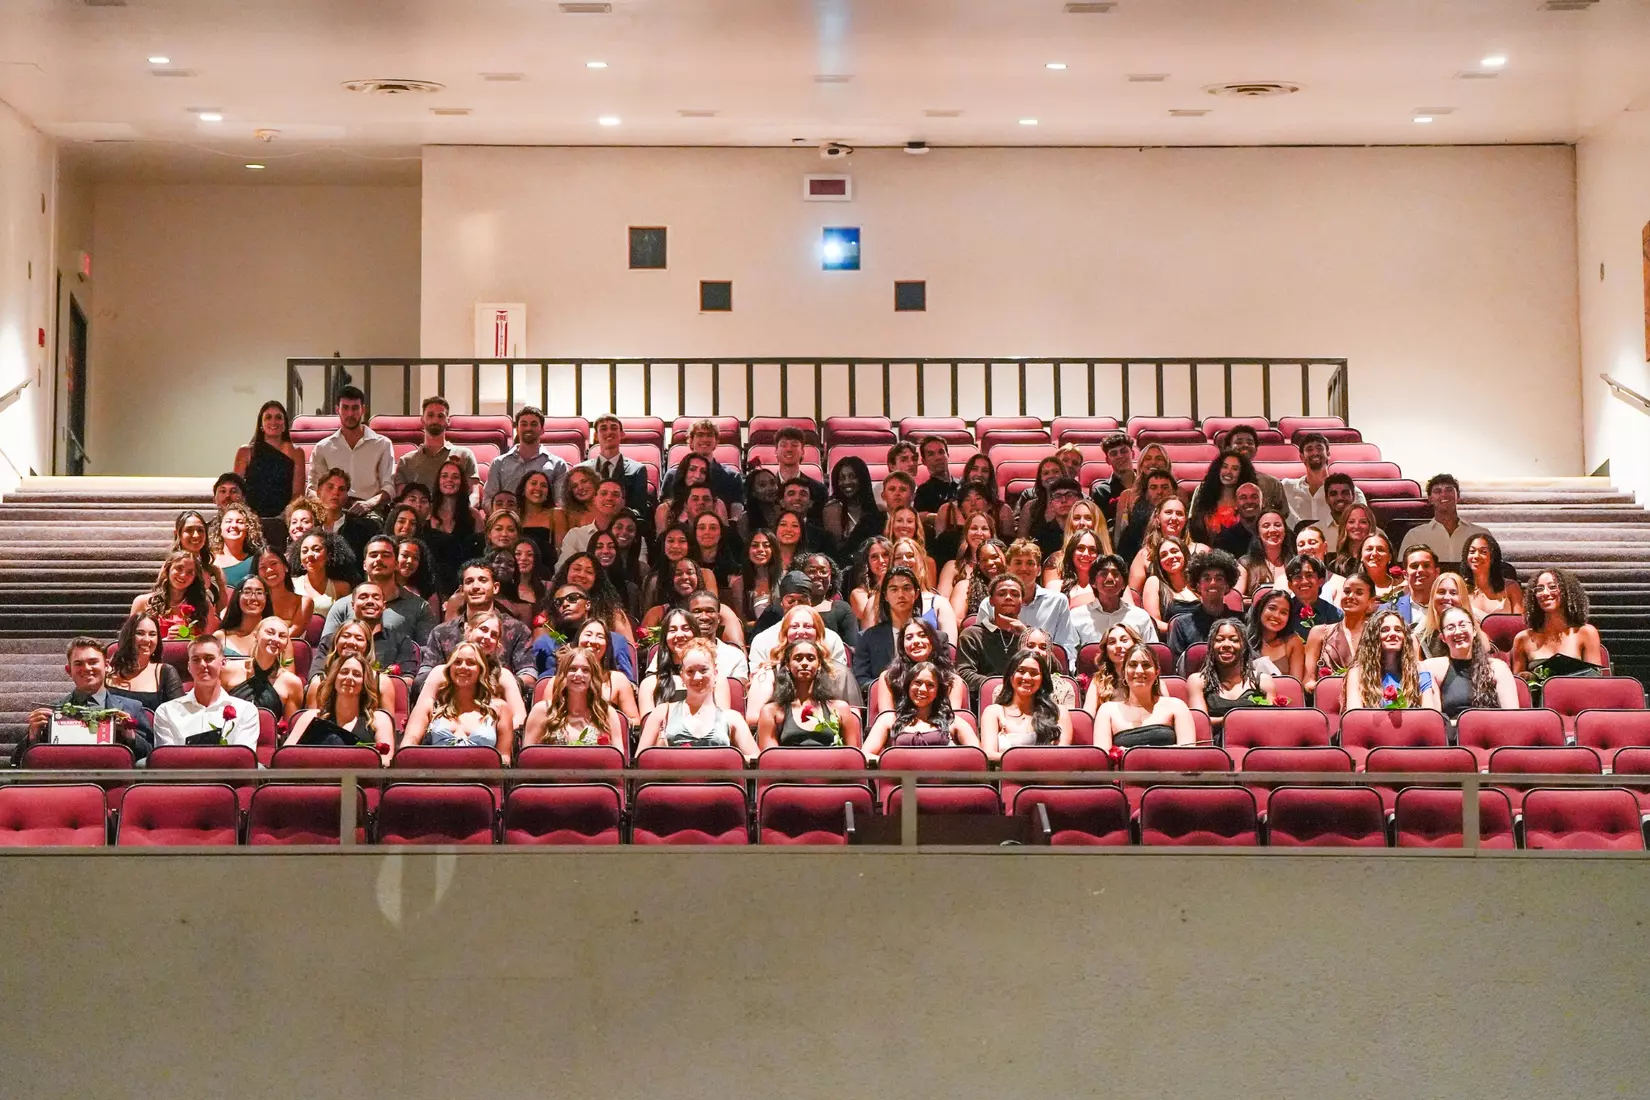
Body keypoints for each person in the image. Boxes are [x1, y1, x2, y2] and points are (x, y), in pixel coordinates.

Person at [20, 637, 153, 765]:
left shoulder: (132, 708)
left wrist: (130, 735)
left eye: (93, 662)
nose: (87, 668)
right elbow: (17, 762)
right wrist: (33, 737)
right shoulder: (51, 713)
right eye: (79, 663)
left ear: (107, 666)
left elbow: (150, 760)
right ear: (69, 670)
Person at [418, 559, 535, 693]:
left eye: (482, 580)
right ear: (462, 590)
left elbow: (529, 677)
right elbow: (423, 678)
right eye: (469, 581)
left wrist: (493, 685)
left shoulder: (517, 630)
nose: (475, 586)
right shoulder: (441, 633)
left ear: (495, 587)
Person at [317, 536, 437, 663]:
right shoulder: (342, 606)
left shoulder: (419, 607)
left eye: (386, 555)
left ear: (396, 563)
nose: (379, 559)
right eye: (373, 555)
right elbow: (326, 651)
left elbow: (427, 655)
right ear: (364, 564)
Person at [636, 637, 758, 756]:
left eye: (703, 670)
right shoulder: (662, 713)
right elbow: (641, 760)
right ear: (682, 676)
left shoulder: (732, 718)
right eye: (690, 671)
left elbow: (755, 760)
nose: (697, 677)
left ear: (715, 673)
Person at [401, 640, 515, 763]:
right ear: (450, 668)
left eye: (471, 663)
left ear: (481, 670)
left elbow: (504, 758)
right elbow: (407, 747)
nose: (463, 667)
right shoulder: (429, 706)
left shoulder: (500, 709)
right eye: (457, 662)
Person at [743, 606, 863, 722]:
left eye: (808, 626)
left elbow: (854, 717)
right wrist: (795, 719)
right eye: (794, 627)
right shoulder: (768, 673)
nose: (800, 632)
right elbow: (753, 718)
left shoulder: (839, 673)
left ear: (818, 632)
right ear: (785, 633)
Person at [974, 537, 1080, 663]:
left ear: (1039, 570)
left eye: (1030, 563)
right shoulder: (989, 604)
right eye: (1018, 562)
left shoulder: (1058, 602)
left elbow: (1067, 649)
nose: (1024, 568)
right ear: (1008, 568)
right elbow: (980, 646)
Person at [153, 635, 262, 748]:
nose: (202, 664)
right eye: (196, 659)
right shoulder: (167, 712)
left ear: (223, 663)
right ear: (189, 667)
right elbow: (167, 757)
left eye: (209, 658)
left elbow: (243, 757)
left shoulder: (245, 711)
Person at [755, 638, 864, 750]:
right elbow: (770, 757)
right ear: (787, 665)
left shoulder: (840, 709)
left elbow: (852, 755)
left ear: (819, 665)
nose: (804, 663)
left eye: (810, 658)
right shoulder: (772, 712)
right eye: (798, 658)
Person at [283, 651, 396, 755]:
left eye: (356, 674)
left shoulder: (378, 720)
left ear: (364, 683)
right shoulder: (310, 717)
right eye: (344, 672)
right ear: (334, 678)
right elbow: (285, 757)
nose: (349, 677)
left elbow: (386, 762)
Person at [1420, 606, 1522, 719]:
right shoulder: (1431, 668)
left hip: (1493, 727)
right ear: (1442, 637)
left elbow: (1513, 718)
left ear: (1474, 631)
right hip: (1452, 729)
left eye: (1463, 625)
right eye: (1450, 628)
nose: (1458, 631)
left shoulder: (1498, 668)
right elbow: (1432, 719)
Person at [861, 661, 979, 758]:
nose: (922, 689)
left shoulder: (953, 721)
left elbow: (978, 757)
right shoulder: (888, 720)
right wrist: (893, 763)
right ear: (908, 686)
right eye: (917, 682)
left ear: (938, 691)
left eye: (930, 685)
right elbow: (865, 755)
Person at [308, 385, 393, 517]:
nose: (350, 414)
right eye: (345, 408)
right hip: (331, 510)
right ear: (337, 409)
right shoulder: (323, 448)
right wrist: (324, 507)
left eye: (355, 408)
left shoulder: (382, 444)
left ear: (363, 409)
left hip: (369, 511)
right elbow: (312, 488)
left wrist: (369, 504)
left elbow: (389, 487)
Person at [1093, 643, 1197, 749]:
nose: (1139, 671)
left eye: (1146, 665)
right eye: (1133, 665)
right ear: (1124, 672)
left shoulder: (1177, 706)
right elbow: (1102, 755)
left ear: (1157, 672)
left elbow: (1188, 752)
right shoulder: (1107, 711)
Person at [1510, 568, 1605, 681]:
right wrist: (1529, 676)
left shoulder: (1586, 632)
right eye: (1539, 589)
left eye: (1552, 587)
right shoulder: (1523, 638)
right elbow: (1519, 685)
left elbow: (1595, 680)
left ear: (1567, 591)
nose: (1545, 593)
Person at [523, 647, 625, 750]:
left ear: (592, 676)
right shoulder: (542, 711)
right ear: (563, 674)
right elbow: (528, 756)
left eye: (585, 670)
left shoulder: (607, 713)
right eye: (572, 669)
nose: (579, 675)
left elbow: (618, 757)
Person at [979, 649, 1073, 760]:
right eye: (1021, 671)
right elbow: (989, 754)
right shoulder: (993, 712)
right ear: (1010, 675)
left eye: (1034, 673)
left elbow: (1062, 757)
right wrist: (1025, 762)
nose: (1027, 677)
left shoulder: (1058, 713)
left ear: (1042, 679)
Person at [1187, 618, 1276, 730]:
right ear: (1211, 646)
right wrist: (1236, 719)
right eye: (1219, 640)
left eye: (1234, 640)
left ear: (1244, 646)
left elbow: (1271, 721)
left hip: (1255, 737)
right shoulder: (1198, 681)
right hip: (1216, 739)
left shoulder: (1263, 681)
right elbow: (1200, 721)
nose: (1226, 645)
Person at [868, 618, 970, 715]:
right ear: (902, 645)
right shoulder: (888, 678)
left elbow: (953, 720)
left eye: (922, 635)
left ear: (933, 641)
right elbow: (886, 718)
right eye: (909, 638)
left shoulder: (953, 680)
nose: (916, 641)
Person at [638, 608, 732, 713]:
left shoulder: (716, 680)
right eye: (672, 630)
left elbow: (723, 720)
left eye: (686, 629)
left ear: (695, 633)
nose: (679, 635)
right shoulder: (650, 684)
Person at [748, 572, 847, 669]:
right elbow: (757, 676)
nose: (796, 605)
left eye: (802, 601)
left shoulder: (831, 639)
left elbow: (839, 675)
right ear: (781, 602)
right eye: (790, 601)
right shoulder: (762, 641)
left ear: (810, 602)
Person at [1344, 612, 1441, 711]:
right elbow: (1354, 716)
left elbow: (1429, 713)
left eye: (1398, 630)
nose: (1393, 634)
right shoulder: (1357, 673)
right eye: (1384, 630)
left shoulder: (1419, 669)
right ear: (1373, 637)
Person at [956, 574, 1032, 699]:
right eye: (1002, 594)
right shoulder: (972, 635)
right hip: (985, 700)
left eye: (1015, 594)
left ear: (1022, 601)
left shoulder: (1030, 635)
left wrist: (1027, 636)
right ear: (991, 601)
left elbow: (1055, 670)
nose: (1008, 597)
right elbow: (964, 674)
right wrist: (1006, 686)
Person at [851, 566, 924, 694]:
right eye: (894, 589)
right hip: (883, 700)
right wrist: (890, 688)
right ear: (885, 595)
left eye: (906, 588)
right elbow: (860, 681)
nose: (901, 595)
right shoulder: (868, 638)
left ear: (916, 593)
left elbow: (944, 676)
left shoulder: (936, 638)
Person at [1305, 568, 1378, 694]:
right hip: (1329, 699)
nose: (1350, 596)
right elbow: (1308, 681)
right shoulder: (1320, 633)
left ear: (1370, 602)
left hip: (1369, 700)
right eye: (1347, 591)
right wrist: (1326, 686)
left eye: (1359, 592)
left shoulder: (1377, 634)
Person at [323, 579, 417, 674]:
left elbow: (407, 679)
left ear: (384, 605)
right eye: (363, 597)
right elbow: (317, 675)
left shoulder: (401, 642)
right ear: (353, 605)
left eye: (376, 598)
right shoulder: (331, 640)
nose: (370, 601)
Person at [483, 405, 568, 509]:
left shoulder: (558, 465)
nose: (528, 428)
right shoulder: (498, 463)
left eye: (534, 424)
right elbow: (488, 500)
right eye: (524, 424)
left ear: (542, 430)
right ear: (517, 429)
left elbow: (560, 502)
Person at [234, 399, 306, 522]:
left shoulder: (297, 453)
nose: (273, 421)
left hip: (284, 519)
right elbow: (236, 490)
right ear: (261, 424)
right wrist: (250, 517)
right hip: (250, 518)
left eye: (278, 417)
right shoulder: (245, 452)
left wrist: (282, 518)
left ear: (285, 424)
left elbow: (298, 494)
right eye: (268, 417)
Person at [1164, 550, 1240, 666]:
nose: (1213, 583)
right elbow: (1177, 666)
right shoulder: (1181, 624)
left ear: (1227, 586)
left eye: (1219, 578)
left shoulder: (1242, 621)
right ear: (1198, 586)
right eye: (1206, 578)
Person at [303, 620, 399, 710]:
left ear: (368, 646)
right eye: (346, 636)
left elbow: (387, 720)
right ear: (336, 641)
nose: (351, 642)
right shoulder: (318, 684)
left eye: (359, 639)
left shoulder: (382, 684)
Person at [1400, 473, 1489, 570]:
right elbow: (1403, 571)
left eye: (1449, 490)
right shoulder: (1414, 536)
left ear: (1458, 496)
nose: (1444, 494)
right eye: (1437, 491)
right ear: (1430, 499)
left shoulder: (1480, 534)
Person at [224, 616, 304, 722]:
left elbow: (290, 728)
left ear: (286, 645)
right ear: (255, 636)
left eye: (282, 636)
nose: (275, 639)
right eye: (270, 633)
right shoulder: (228, 670)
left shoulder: (292, 683)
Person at [1280, 432, 1367, 529]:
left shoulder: (1351, 492)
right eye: (1309, 449)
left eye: (1319, 448)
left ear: (1328, 454)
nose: (1315, 453)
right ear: (1301, 457)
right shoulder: (1286, 487)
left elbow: (1364, 526)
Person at [393, 396, 477, 495]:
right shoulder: (406, 461)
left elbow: (474, 494)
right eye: (430, 415)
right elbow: (401, 498)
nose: (435, 420)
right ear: (422, 420)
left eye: (440, 416)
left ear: (448, 421)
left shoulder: (465, 455)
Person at [565, 617, 642, 723]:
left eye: (600, 637)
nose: (592, 641)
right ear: (578, 640)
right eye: (588, 635)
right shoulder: (561, 679)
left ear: (607, 645)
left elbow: (635, 721)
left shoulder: (618, 680)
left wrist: (610, 723)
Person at [106, 612, 185, 712]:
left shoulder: (166, 672)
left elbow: (179, 714)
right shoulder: (108, 670)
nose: (147, 639)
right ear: (128, 636)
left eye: (152, 634)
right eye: (140, 633)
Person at [131, 550, 219, 640]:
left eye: (190, 572)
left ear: (195, 578)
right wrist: (166, 641)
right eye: (179, 568)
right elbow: (132, 640)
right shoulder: (142, 602)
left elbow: (207, 642)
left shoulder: (204, 606)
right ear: (168, 569)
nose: (183, 575)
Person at [575, 413, 651, 515]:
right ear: (596, 436)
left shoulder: (637, 470)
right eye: (603, 429)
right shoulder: (581, 470)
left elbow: (639, 508)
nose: (609, 432)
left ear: (622, 434)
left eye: (614, 428)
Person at [658, 419, 744, 508]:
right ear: (691, 442)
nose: (705, 439)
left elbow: (736, 511)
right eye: (700, 435)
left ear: (716, 442)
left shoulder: (732, 477)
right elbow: (667, 510)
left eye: (710, 435)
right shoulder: (672, 475)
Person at [1127, 495, 1201, 594]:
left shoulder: (1201, 551)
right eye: (1168, 512)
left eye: (1179, 514)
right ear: (1157, 517)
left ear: (1185, 520)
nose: (1174, 518)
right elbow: (1133, 595)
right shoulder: (1144, 555)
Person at [1079, 553, 1158, 643]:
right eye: (1103, 574)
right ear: (1093, 582)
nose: (1109, 578)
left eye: (1115, 574)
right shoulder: (1076, 617)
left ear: (1124, 584)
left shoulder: (1141, 617)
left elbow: (1151, 650)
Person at [1188, 449, 1259, 548]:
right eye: (1225, 467)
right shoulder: (1203, 495)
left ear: (1242, 473)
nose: (1228, 472)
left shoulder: (1249, 500)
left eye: (1235, 469)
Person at [557, 478, 629, 567]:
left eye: (615, 494)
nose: (609, 498)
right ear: (594, 499)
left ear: (623, 502)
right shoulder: (576, 535)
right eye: (603, 493)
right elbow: (562, 569)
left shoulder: (631, 536)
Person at [1114, 467, 1179, 567]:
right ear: (1146, 494)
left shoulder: (1182, 519)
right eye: (1153, 487)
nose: (1159, 492)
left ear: (1174, 491)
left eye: (1165, 487)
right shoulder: (1134, 528)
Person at [314, 468, 380, 563]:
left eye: (341, 489)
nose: (335, 493)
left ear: (346, 496)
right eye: (330, 487)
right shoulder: (309, 524)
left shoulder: (363, 529)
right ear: (318, 492)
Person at [172, 508, 231, 614]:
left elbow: (222, 610)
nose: (196, 535)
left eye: (200, 530)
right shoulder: (172, 570)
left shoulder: (215, 572)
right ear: (178, 534)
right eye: (189, 530)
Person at [1219, 425, 1287, 517]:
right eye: (1239, 442)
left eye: (1250, 443)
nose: (1245, 445)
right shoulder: (1213, 483)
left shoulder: (1272, 483)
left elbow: (1282, 516)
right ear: (1228, 448)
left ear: (1255, 450)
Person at [1140, 535, 1198, 636]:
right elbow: (1153, 622)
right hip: (1171, 639)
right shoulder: (1154, 582)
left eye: (1174, 551)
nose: (1170, 557)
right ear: (1159, 562)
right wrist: (1183, 631)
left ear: (1184, 553)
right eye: (1164, 555)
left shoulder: (1198, 581)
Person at [288, 531, 354, 620]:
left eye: (316, 550)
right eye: (304, 551)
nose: (309, 555)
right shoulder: (291, 584)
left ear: (328, 555)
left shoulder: (341, 588)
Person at [253, 546, 314, 639]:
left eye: (273, 563)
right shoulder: (253, 602)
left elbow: (290, 635)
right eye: (262, 567)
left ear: (285, 567)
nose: (269, 570)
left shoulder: (304, 602)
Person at [1082, 623, 1143, 713]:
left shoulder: (1149, 677)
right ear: (1106, 651)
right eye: (1112, 642)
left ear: (1135, 645)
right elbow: (1088, 715)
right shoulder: (1098, 681)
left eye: (1124, 640)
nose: (1118, 646)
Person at [1463, 532, 1525, 619]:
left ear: (1493, 557)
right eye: (1472, 551)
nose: (1476, 556)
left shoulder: (1511, 587)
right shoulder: (1461, 588)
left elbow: (1519, 623)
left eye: (1483, 552)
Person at [1246, 587, 1304, 680]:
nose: (1276, 616)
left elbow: (1296, 684)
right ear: (1260, 609)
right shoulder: (1243, 639)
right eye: (1272, 608)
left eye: (1283, 613)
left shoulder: (1293, 642)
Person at [937, 511, 997, 601]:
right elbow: (942, 600)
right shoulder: (953, 567)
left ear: (991, 534)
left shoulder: (998, 567)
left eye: (984, 529)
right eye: (974, 528)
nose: (979, 533)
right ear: (966, 534)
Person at [1285, 554, 1342, 643]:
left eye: (1309, 575)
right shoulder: (1283, 612)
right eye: (1298, 577)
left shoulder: (1335, 614)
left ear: (1321, 581)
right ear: (1290, 585)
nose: (1304, 581)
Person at [211, 502, 265, 590]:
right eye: (228, 521)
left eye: (240, 522)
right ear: (220, 528)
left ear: (248, 529)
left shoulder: (255, 561)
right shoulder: (208, 559)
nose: (234, 525)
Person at [1027, 477, 1085, 558]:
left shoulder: (1088, 530)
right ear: (1051, 504)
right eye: (1057, 496)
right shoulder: (1041, 534)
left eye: (1069, 495)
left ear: (1080, 499)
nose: (1063, 500)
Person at [732, 529, 780, 626]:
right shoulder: (739, 584)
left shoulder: (784, 578)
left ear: (774, 550)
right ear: (748, 550)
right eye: (755, 545)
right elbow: (741, 623)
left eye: (766, 545)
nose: (760, 549)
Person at [1237, 508, 1290, 596]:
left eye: (1277, 525)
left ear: (1285, 531)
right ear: (1258, 533)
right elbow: (1236, 597)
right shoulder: (1245, 564)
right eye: (1266, 526)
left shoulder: (1294, 562)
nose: (1272, 530)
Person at [1088, 433, 1136, 525]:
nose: (1119, 456)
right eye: (1114, 453)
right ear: (1108, 460)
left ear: (1133, 454)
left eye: (1124, 451)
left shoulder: (1147, 484)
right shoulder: (1101, 492)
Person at [848, 536, 893, 632]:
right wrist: (882, 581)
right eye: (874, 557)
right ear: (867, 562)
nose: (881, 560)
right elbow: (869, 625)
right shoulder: (858, 594)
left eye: (885, 555)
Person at [1055, 529, 1107, 611]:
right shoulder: (1056, 587)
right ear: (1071, 552)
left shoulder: (1111, 586)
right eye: (1080, 548)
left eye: (1092, 549)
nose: (1086, 554)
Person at [513, 469, 557, 560]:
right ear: (523, 489)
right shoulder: (514, 516)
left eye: (544, 486)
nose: (538, 488)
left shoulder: (555, 514)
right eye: (533, 483)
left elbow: (559, 551)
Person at [1327, 503, 1380, 577]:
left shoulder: (1378, 561)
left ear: (1370, 525)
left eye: (1363, 522)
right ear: (1344, 526)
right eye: (1351, 522)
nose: (1357, 526)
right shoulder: (1334, 565)